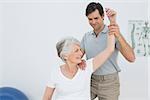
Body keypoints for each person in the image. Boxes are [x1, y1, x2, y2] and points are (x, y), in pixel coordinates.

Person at [80, 2, 135, 100]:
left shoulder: (112, 33)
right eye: (90, 19)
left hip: (109, 82)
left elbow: (131, 58)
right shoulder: (86, 36)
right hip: (90, 80)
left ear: (102, 16)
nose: (93, 22)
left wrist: (118, 34)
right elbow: (77, 56)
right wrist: (79, 62)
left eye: (96, 18)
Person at [43, 32, 115, 100]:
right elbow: (46, 98)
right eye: (76, 51)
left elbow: (110, 49)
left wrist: (112, 23)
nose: (81, 53)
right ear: (65, 56)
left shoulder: (87, 67)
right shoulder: (55, 73)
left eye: (80, 49)